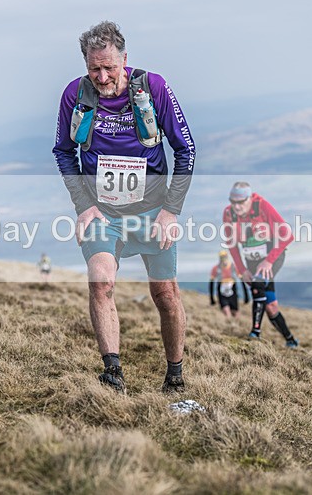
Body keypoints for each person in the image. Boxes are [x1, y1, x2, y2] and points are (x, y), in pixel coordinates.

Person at [53, 21, 196, 393]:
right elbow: (64, 152)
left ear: (125, 60)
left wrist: (171, 211)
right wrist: (83, 206)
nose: (101, 76)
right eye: (93, 68)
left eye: (109, 68)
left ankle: (175, 374)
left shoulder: (153, 88)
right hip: (103, 212)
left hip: (152, 210)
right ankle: (113, 373)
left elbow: (186, 150)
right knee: (101, 281)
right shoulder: (76, 94)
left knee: (165, 293)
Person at [222, 182, 299, 348]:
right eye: (233, 201)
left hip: (272, 255)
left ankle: (255, 333)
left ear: (249, 198)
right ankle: (291, 339)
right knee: (270, 306)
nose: (236, 206)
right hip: (251, 259)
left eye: (241, 202)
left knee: (258, 283)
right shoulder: (228, 214)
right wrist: (242, 270)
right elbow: (232, 245)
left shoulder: (262, 206)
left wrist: (268, 261)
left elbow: (287, 235)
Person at [209, 250, 240, 320]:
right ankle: (229, 326)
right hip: (222, 292)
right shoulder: (216, 269)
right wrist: (211, 298)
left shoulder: (233, 267)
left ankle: (236, 326)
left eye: (224, 257)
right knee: (226, 311)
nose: (223, 259)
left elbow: (241, 279)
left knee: (235, 312)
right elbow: (211, 282)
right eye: (222, 257)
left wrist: (246, 296)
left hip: (232, 291)